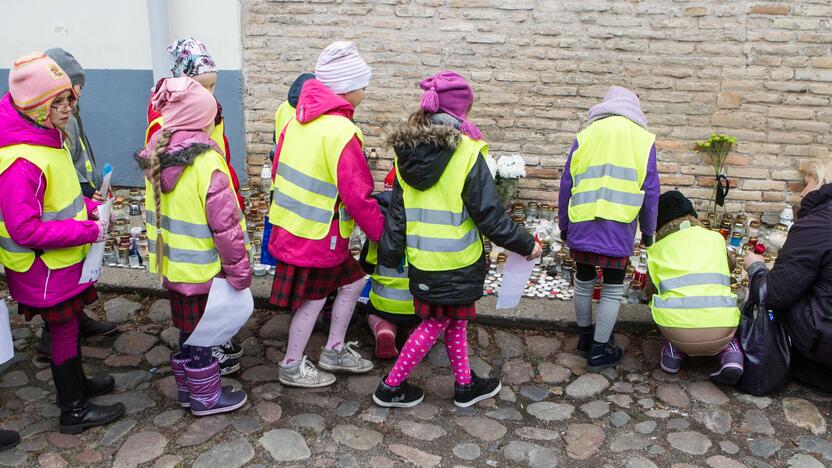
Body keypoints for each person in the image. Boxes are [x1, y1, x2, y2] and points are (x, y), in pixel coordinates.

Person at [373, 70, 542, 408]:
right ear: (460, 112)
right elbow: (489, 215)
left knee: (453, 319)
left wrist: (390, 255)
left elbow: (398, 212)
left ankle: (466, 385)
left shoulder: (406, 153)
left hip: (424, 259)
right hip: (458, 260)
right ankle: (390, 386)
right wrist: (527, 244)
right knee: (436, 322)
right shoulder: (467, 153)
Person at [0, 52, 124, 433]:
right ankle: (73, 410)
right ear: (37, 106)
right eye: (58, 102)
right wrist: (88, 230)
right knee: (65, 331)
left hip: (57, 263)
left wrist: (90, 206)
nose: (69, 108)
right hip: (42, 267)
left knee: (68, 329)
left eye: (69, 99)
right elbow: (25, 228)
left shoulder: (43, 135)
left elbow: (59, 194)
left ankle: (78, 388)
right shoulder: (21, 161)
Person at [267, 41, 381, 388]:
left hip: (295, 226)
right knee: (314, 299)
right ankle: (290, 364)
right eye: (362, 85)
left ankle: (333, 349)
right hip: (320, 234)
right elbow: (357, 195)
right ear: (346, 89)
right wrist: (382, 232)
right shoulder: (342, 131)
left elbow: (277, 170)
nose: (364, 91)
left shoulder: (297, 120)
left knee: (353, 281)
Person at [135, 76, 250, 415]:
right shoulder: (207, 163)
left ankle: (187, 390)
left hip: (173, 265)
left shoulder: (156, 155)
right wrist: (239, 272)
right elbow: (225, 227)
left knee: (188, 330)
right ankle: (205, 398)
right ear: (204, 120)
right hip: (204, 270)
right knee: (204, 335)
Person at [145, 37, 245, 366]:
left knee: (204, 308)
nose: (212, 96)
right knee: (200, 309)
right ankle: (204, 372)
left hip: (210, 211)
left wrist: (234, 195)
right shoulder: (170, 125)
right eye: (204, 88)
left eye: (214, 86)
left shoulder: (209, 115)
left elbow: (223, 159)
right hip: (194, 231)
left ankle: (204, 357)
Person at [558, 85, 659, 371]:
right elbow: (650, 189)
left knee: (583, 279)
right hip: (618, 223)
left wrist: (564, 224)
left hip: (583, 219)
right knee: (613, 288)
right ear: (634, 109)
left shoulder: (586, 135)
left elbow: (568, 182)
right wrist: (649, 231)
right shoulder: (642, 139)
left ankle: (585, 338)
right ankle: (601, 349)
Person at [31, 48, 117, 358]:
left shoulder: (70, 112)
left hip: (81, 194)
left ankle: (77, 320)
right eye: (73, 85)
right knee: (63, 276)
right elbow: (64, 163)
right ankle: (51, 338)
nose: (77, 94)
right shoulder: (52, 119)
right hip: (67, 204)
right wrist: (85, 190)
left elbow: (78, 154)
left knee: (79, 269)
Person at [744, 158, 832, 394]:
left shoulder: (818, 224)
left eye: (807, 184)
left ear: (823, 184)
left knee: (775, 298)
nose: (802, 193)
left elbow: (775, 293)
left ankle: (779, 363)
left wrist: (756, 268)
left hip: (823, 344)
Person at [644, 191, 743, 383]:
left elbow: (649, 292)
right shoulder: (715, 239)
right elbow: (731, 265)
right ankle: (732, 354)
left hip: (676, 327)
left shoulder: (656, 250)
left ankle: (673, 351)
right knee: (729, 308)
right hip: (721, 325)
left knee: (660, 301)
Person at [359, 168, 420, 359]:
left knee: (373, 314)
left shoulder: (378, 234)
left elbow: (366, 266)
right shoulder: (423, 232)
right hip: (417, 307)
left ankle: (383, 330)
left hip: (383, 304)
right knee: (423, 320)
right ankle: (415, 336)